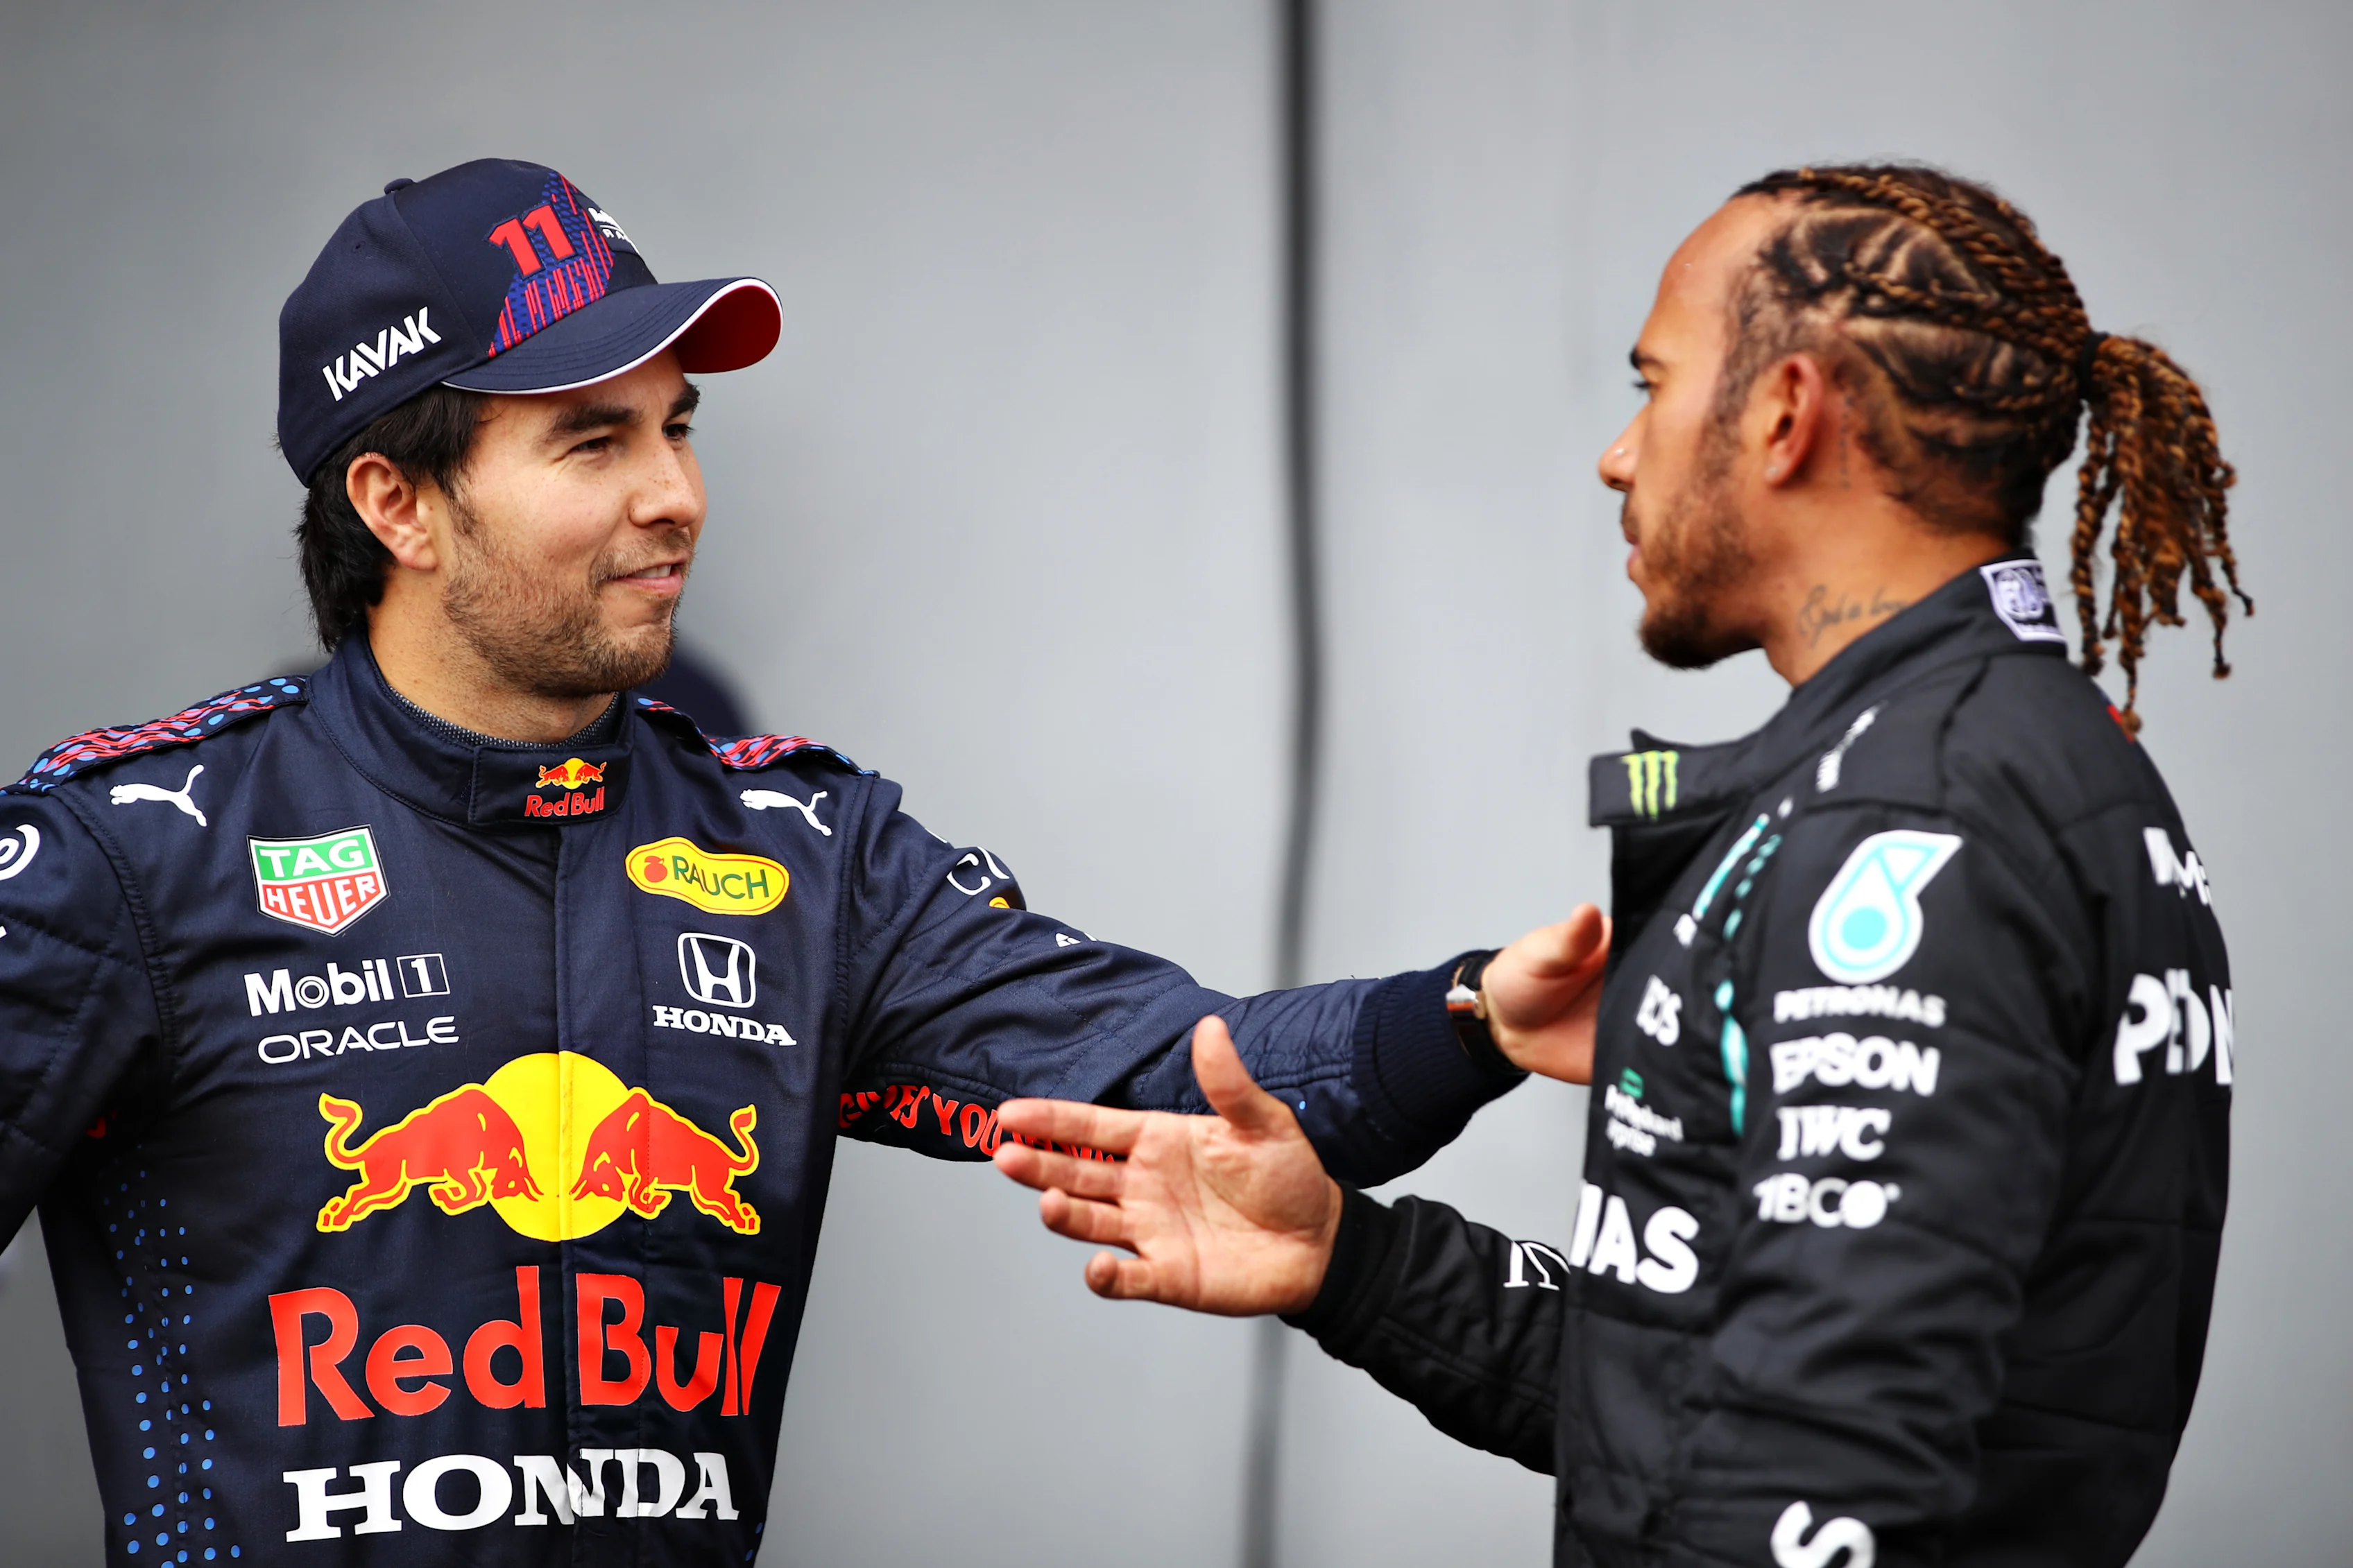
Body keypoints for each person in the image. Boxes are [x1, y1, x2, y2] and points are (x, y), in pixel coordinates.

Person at [0, 158, 1613, 1563]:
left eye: (678, 428)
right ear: (397, 502)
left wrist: (1469, 1013)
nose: (678, 494)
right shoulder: (131, 853)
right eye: (592, 443)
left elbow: (1180, 1088)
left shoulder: (805, 854)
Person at [993, 164, 2243, 1568]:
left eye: (1651, 383)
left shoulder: (1914, 817)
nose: (1615, 451)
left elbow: (1813, 1480)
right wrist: (1348, 1258)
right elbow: (1709, 1394)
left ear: (1783, 415)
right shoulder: (1990, 756)